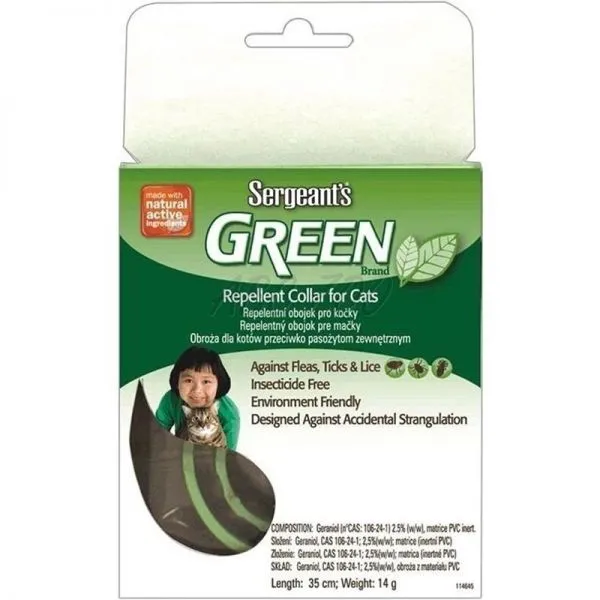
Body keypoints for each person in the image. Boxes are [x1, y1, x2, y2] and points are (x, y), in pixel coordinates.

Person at [155, 346, 240, 450]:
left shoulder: (229, 414)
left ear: (219, 384)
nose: (197, 390)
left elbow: (229, 456)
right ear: (177, 382)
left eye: (206, 381)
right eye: (189, 380)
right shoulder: (171, 400)